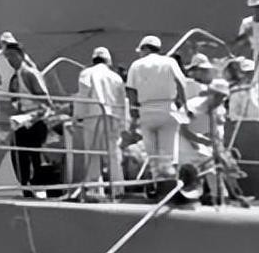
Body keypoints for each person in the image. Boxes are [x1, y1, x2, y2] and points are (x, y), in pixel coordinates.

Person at [126, 34, 188, 178]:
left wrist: (133, 111)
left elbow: (131, 90)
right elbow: (181, 83)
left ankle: (156, 181)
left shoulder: (136, 65)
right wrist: (184, 105)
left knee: (152, 155)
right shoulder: (170, 62)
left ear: (145, 49)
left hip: (146, 110)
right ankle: (169, 183)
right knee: (168, 153)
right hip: (168, 108)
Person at [72, 46, 126, 196]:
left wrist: (77, 116)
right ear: (108, 61)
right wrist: (123, 122)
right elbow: (122, 100)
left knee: (93, 153)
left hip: (93, 115)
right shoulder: (116, 77)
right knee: (113, 153)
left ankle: (95, 190)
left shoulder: (86, 73)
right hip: (112, 116)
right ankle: (118, 189)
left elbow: (83, 94)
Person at [0, 36, 52, 188]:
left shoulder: (29, 73)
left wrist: (34, 113)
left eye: (12, 56)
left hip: (35, 120)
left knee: (35, 156)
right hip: (21, 121)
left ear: (21, 55)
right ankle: (25, 186)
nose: (10, 60)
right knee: (20, 155)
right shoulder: (15, 77)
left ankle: (38, 185)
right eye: (7, 57)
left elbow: (45, 100)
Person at [225, 57, 259, 122]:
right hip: (246, 125)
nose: (249, 75)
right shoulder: (236, 92)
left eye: (251, 72)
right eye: (246, 72)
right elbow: (234, 116)